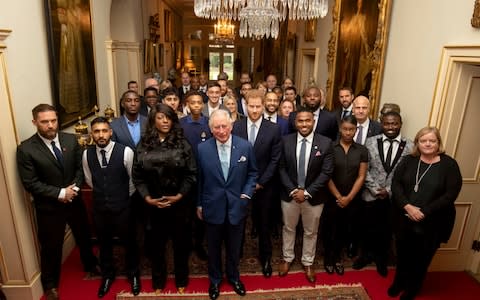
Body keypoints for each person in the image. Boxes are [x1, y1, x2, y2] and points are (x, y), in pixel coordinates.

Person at [16, 104, 98, 300]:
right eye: (45, 122)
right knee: (51, 247)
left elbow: (80, 169)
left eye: (53, 120)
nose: (50, 125)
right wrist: (61, 193)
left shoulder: (70, 139)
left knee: (84, 235)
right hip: (49, 208)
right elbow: (30, 183)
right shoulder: (26, 149)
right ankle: (50, 284)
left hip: (75, 200)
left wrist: (74, 189)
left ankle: (91, 265)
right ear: (35, 122)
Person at [389, 127, 462, 300]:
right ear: (417, 143)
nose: (428, 144)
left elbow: (451, 194)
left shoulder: (449, 165)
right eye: (423, 140)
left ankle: (413, 288)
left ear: (438, 143)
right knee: (403, 254)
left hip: (432, 222)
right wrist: (407, 206)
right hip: (404, 218)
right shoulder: (408, 160)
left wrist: (424, 211)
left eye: (432, 141)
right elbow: (396, 184)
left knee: (421, 259)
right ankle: (399, 282)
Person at [133, 103, 197, 294]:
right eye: (160, 117)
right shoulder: (143, 144)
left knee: (181, 245)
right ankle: (158, 282)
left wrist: (179, 195)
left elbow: (191, 174)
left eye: (168, 117)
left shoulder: (182, 143)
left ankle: (181, 279)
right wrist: (146, 198)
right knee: (156, 246)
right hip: (153, 205)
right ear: (153, 120)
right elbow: (137, 176)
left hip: (179, 204)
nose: (165, 121)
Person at [196, 109, 257, 300]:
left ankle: (233, 277)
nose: (221, 131)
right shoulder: (201, 149)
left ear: (231, 126)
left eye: (224, 126)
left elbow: (253, 173)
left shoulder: (245, 146)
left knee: (234, 247)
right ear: (211, 129)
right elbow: (199, 179)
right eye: (217, 127)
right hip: (212, 206)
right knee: (213, 248)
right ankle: (214, 280)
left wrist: (246, 194)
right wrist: (199, 204)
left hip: (236, 207)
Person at [82, 117, 140, 298]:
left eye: (104, 131)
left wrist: (120, 198)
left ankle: (134, 274)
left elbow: (133, 180)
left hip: (123, 207)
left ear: (110, 132)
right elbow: (90, 180)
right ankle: (107, 275)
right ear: (92, 134)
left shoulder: (126, 152)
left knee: (130, 243)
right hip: (100, 209)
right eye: (97, 131)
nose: (101, 135)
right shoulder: (86, 154)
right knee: (104, 245)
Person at [353, 111, 413, 277]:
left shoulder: (410, 146)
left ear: (400, 124)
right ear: (381, 124)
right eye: (387, 123)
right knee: (366, 227)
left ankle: (381, 260)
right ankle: (364, 256)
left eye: (394, 123)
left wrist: (388, 190)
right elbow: (364, 168)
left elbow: (405, 174)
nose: (391, 127)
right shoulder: (370, 142)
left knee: (386, 230)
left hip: (393, 197)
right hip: (370, 194)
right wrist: (374, 188)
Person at [278, 106, 334, 283]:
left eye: (307, 120)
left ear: (313, 121)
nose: (304, 124)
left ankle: (308, 262)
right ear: (295, 123)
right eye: (300, 121)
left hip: (314, 197)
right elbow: (281, 168)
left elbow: (326, 172)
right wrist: (294, 191)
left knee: (311, 231)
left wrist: (308, 192)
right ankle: (287, 258)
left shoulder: (325, 143)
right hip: (290, 195)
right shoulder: (285, 141)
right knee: (288, 228)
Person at [232, 89, 282, 278]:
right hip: (239, 185)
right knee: (239, 222)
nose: (254, 110)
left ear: (263, 106)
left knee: (264, 224)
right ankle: (236, 255)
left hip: (265, 185)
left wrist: (260, 182)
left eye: (257, 106)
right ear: (245, 106)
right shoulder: (236, 126)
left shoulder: (274, 129)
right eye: (250, 106)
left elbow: (275, 160)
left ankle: (266, 257)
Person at [322, 115, 368, 276]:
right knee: (329, 228)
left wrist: (348, 197)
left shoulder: (362, 150)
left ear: (356, 130)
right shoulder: (330, 147)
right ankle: (328, 257)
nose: (348, 133)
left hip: (352, 198)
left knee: (345, 229)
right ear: (340, 129)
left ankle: (337, 258)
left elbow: (361, 176)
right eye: (345, 129)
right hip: (331, 196)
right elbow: (326, 174)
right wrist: (338, 196)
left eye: (352, 129)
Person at [180, 91, 212, 261]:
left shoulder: (209, 123)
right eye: (193, 103)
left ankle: (199, 244)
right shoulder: (180, 124)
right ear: (187, 104)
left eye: (200, 102)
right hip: (185, 176)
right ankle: (185, 244)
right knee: (185, 214)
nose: (197, 106)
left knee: (201, 213)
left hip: (204, 175)